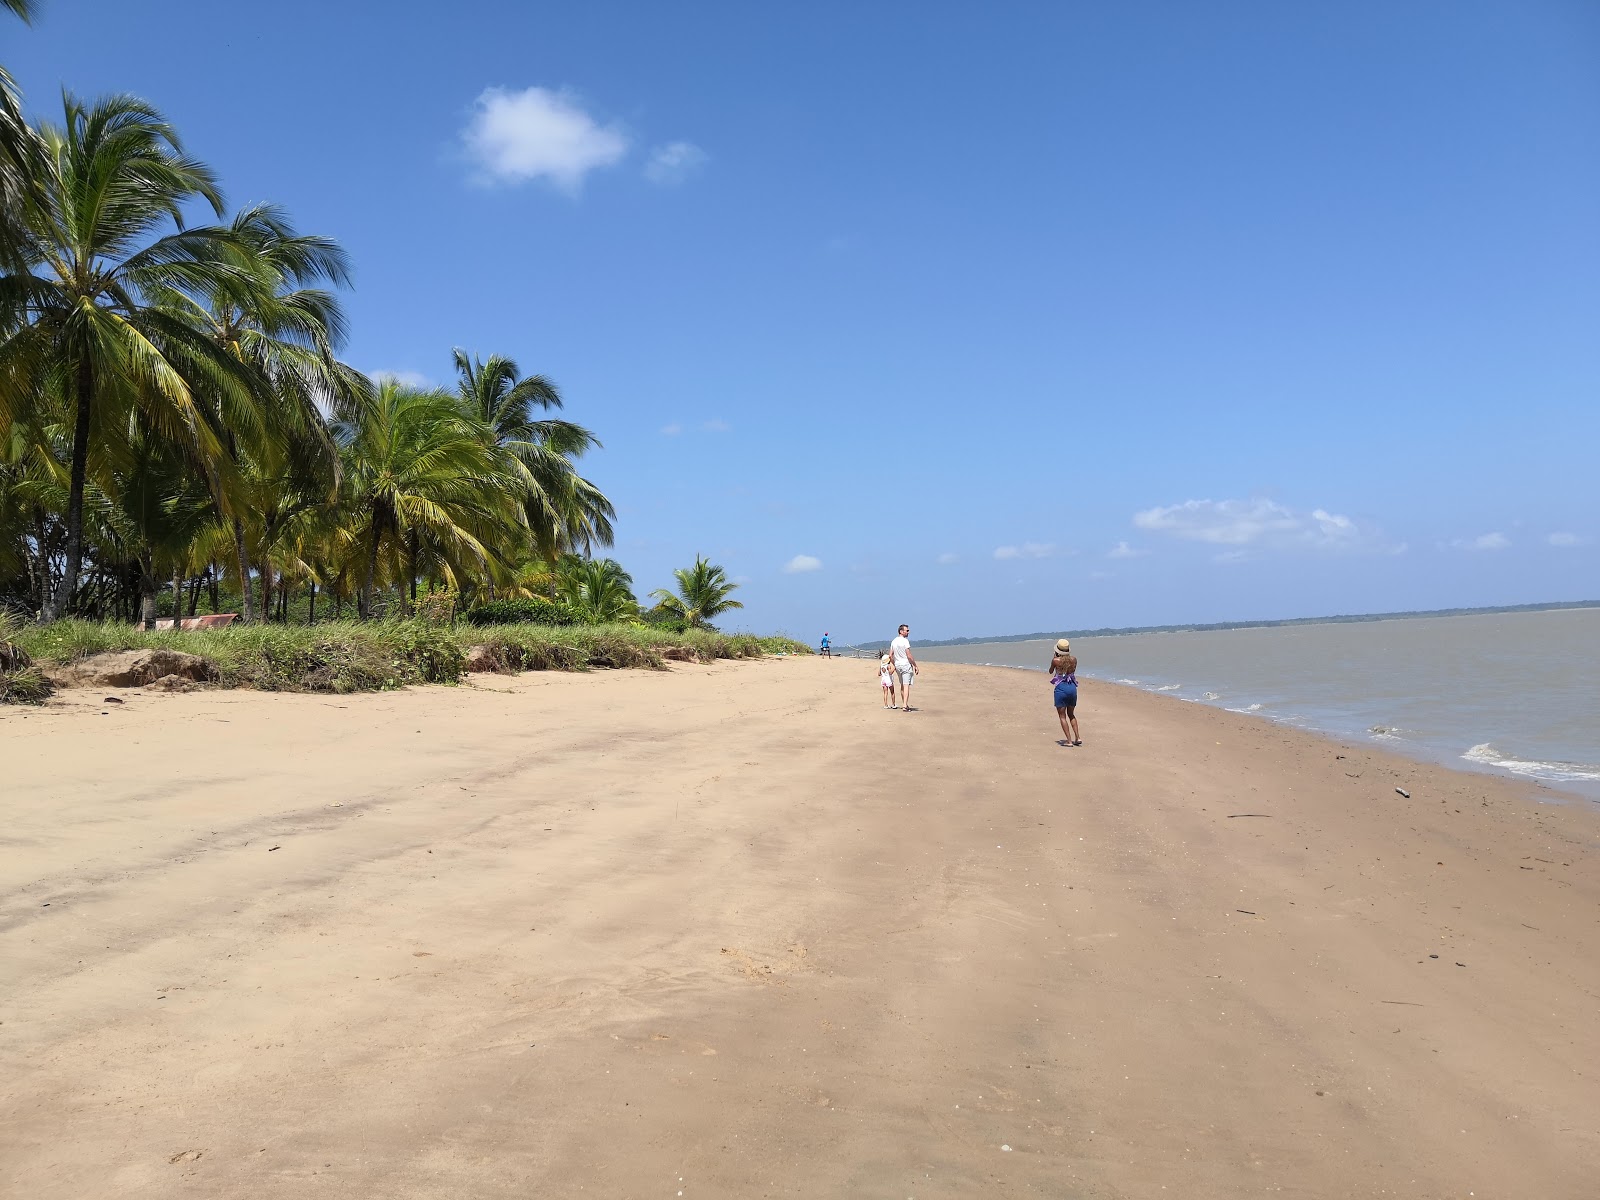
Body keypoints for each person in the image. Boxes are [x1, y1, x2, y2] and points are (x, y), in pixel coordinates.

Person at [1050, 637, 1081, 746]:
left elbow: (1050, 671)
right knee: (1071, 714)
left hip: (1061, 688)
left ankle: (1069, 741)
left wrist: (1054, 658)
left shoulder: (1055, 660)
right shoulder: (1074, 660)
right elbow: (1071, 671)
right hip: (1072, 687)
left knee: (1062, 716)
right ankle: (1077, 737)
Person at [890, 623, 918, 712]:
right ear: (901, 631)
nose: (908, 632)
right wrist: (915, 665)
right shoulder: (905, 641)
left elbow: (890, 655)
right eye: (907, 630)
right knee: (906, 685)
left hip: (898, 665)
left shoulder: (894, 641)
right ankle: (905, 705)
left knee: (902, 685)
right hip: (905, 664)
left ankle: (905, 704)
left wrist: (894, 664)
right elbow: (909, 655)